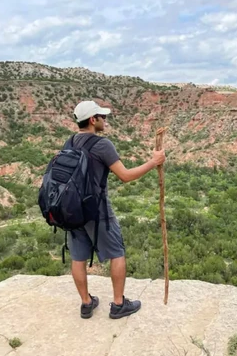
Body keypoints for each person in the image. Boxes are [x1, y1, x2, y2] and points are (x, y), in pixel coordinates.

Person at [67, 100, 166, 320]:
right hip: (98, 210)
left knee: (78, 257)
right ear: (93, 120)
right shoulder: (102, 145)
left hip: (72, 210)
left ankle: (86, 303)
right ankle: (119, 304)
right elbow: (125, 176)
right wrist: (154, 161)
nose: (105, 120)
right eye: (102, 116)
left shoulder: (70, 141)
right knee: (117, 253)